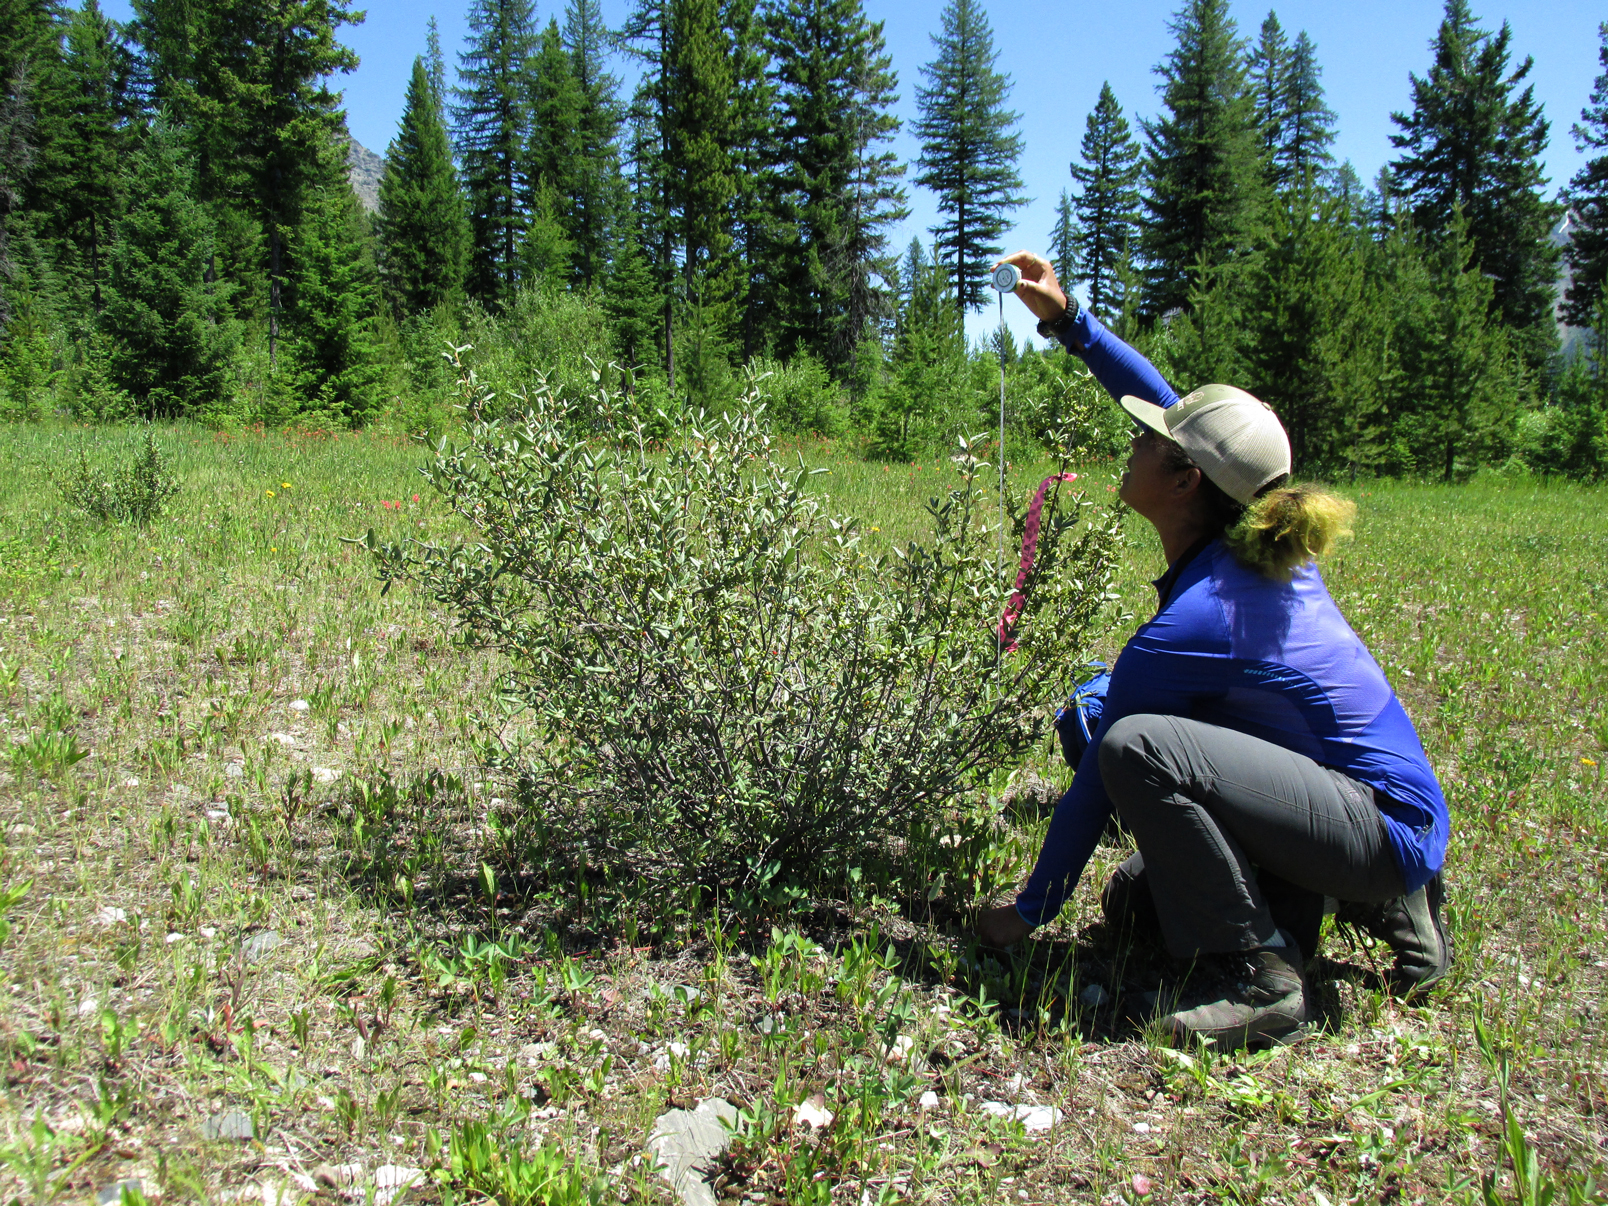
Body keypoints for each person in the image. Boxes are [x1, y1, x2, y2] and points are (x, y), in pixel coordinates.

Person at [975, 251, 1452, 1048]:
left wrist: (1027, 913)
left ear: (1187, 478)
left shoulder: (1203, 618)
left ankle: (1264, 973)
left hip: (1379, 825)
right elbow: (1167, 404)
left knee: (1129, 741)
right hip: (1357, 799)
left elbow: (1105, 775)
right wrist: (1067, 321)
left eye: (1147, 443)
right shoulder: (1243, 530)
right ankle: (1339, 893)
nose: (1132, 445)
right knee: (1137, 902)